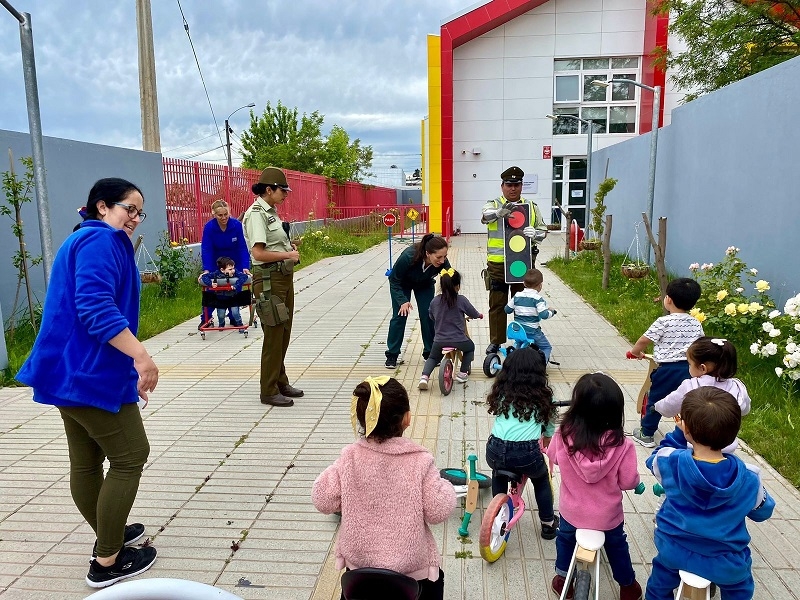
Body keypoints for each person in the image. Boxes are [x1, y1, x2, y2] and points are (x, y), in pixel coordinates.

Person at [16, 178, 158, 588]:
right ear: (102, 207)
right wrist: (141, 356)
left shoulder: (81, 239)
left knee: (87, 462)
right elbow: (96, 309)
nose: (134, 217)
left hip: (66, 372)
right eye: (128, 208)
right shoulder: (101, 243)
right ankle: (108, 559)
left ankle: (107, 530)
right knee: (131, 456)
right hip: (88, 375)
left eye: (138, 211)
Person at [312, 377, 457, 600]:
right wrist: (446, 487)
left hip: (359, 572)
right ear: (407, 418)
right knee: (437, 581)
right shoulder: (420, 461)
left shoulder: (349, 457)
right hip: (411, 576)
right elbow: (438, 510)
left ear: (362, 420)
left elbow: (322, 498)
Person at [645, 387, 775, 600]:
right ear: (733, 433)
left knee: (658, 585)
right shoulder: (750, 478)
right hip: (724, 561)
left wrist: (679, 435)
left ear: (686, 429)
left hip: (673, 550)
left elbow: (653, 458)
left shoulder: (670, 462)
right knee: (740, 588)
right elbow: (764, 512)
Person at [547, 373, 643, 600]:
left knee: (565, 540)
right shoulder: (622, 445)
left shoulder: (563, 435)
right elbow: (628, 481)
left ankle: (562, 579)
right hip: (607, 517)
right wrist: (636, 482)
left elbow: (554, 457)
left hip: (572, 512)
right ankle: (628, 586)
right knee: (617, 546)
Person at [242, 167, 303, 407]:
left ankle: (280, 381)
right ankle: (268, 390)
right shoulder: (257, 213)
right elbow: (258, 253)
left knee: (283, 331)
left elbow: (272, 245)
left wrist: (288, 249)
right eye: (282, 190)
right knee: (273, 335)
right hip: (268, 280)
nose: (286, 194)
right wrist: (287, 253)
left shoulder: (271, 212)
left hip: (281, 278)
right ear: (269, 189)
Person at [484, 347, 559, 540]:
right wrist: (548, 437)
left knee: (498, 473)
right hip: (526, 453)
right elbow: (549, 423)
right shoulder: (543, 396)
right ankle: (548, 524)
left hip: (495, 449)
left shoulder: (502, 391)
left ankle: (497, 512)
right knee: (541, 478)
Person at [629, 277, 704, 448]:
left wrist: (635, 352)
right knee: (688, 402)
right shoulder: (695, 323)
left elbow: (643, 340)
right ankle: (689, 434)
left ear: (668, 299)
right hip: (689, 369)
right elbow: (701, 345)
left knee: (656, 400)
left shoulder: (663, 322)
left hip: (667, 370)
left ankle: (646, 433)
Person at [481, 165, 547, 355]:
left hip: (522, 264)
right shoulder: (492, 204)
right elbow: (485, 217)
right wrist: (498, 213)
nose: (513, 188)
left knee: (524, 305)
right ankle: (496, 342)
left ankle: (525, 341)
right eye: (509, 184)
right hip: (498, 264)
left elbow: (543, 230)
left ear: (521, 186)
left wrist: (536, 234)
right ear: (502, 186)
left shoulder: (531, 208)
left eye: (516, 184)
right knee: (497, 304)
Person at [655, 337, 750, 454]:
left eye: (690, 364)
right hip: (725, 447)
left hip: (693, 445)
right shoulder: (737, 386)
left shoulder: (690, 386)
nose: (689, 367)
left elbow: (669, 405)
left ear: (702, 368)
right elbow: (745, 409)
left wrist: (657, 407)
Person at [385, 233, 451, 369]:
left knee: (428, 316)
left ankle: (430, 353)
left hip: (425, 284)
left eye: (444, 256)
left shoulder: (442, 262)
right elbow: (394, 280)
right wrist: (402, 300)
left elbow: (450, 276)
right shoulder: (409, 257)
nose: (442, 260)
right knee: (400, 316)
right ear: (427, 253)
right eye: (439, 257)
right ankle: (392, 354)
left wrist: (451, 296)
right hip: (402, 284)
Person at [418, 268, 483, 390]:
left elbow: (431, 316)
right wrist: (479, 315)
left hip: (439, 340)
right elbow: (473, 312)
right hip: (459, 339)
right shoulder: (461, 300)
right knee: (470, 348)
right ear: (457, 286)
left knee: (432, 357)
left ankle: (424, 377)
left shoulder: (435, 301)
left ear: (442, 286)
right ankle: (463, 373)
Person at [198, 199, 250, 327]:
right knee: (211, 288)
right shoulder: (209, 227)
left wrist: (245, 267)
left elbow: (243, 247)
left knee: (234, 288)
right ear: (214, 214)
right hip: (217, 263)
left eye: (226, 214)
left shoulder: (236, 225)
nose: (223, 217)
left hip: (234, 262)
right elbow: (207, 249)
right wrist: (207, 269)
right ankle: (206, 318)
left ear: (229, 212)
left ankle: (233, 316)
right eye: (220, 215)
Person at [504, 268, 557, 362]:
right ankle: (541, 366)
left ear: (523, 283)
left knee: (520, 345)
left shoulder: (517, 296)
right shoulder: (538, 299)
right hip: (532, 332)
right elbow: (544, 315)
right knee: (546, 347)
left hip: (518, 331)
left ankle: (515, 360)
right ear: (540, 285)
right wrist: (552, 312)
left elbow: (507, 310)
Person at [200, 256, 249, 327]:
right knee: (221, 314)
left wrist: (236, 285)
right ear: (222, 270)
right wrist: (211, 284)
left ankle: (239, 323)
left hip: (233, 297)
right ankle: (221, 324)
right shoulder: (216, 274)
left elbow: (244, 276)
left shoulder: (235, 273)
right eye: (230, 269)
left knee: (235, 312)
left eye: (233, 268)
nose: (233, 270)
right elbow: (205, 277)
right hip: (220, 298)